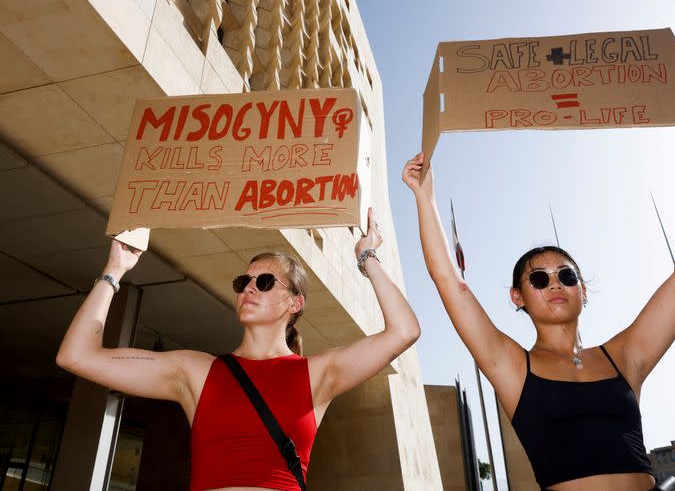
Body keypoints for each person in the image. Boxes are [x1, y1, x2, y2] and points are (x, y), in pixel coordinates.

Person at [403, 135, 675, 491]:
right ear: (518, 297)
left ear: (582, 289)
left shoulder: (624, 356)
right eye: (540, 279)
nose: (555, 284)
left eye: (566, 275)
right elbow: (448, 281)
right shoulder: (511, 366)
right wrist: (425, 198)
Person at [56, 208, 420, 491]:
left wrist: (367, 255)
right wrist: (114, 271)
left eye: (263, 282)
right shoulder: (196, 371)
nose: (248, 288)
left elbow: (404, 330)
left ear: (295, 304)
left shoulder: (318, 374)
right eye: (243, 281)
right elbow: (77, 356)